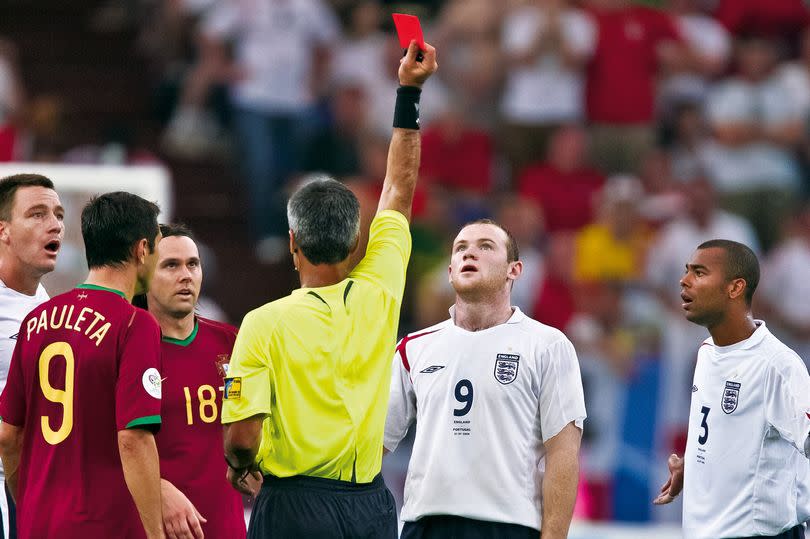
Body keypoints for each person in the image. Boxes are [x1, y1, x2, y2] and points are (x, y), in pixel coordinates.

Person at [221, 40, 438, 538]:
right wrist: (408, 92)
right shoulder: (379, 293)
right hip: (369, 505)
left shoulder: (263, 324)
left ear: (292, 241)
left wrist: (240, 464)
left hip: (293, 506)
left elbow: (242, 439)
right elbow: (398, 189)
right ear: (356, 240)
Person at [385, 218, 587, 539]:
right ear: (450, 272)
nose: (470, 254)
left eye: (485, 246)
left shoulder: (548, 345)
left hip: (508, 526)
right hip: (425, 524)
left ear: (514, 270)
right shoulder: (413, 347)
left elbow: (562, 454)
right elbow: (375, 444)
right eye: (461, 248)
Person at [0, 191, 164, 538]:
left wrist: (28, 505)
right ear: (142, 249)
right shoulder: (135, 324)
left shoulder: (35, 321)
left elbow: (8, 436)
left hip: (38, 523)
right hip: (102, 525)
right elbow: (133, 439)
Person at [654, 239, 810, 539]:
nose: (683, 281)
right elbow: (730, 433)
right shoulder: (707, 352)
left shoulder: (777, 365)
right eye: (687, 271)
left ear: (735, 288)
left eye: (699, 273)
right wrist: (697, 468)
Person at [135, 223, 246, 539]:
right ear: (144, 276)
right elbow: (102, 448)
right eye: (171, 265)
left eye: (192, 264)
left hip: (227, 526)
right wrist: (156, 487)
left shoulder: (231, 342)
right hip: (155, 527)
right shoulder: (126, 348)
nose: (186, 275)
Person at [0, 173, 63, 539]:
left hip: (29, 486)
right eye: (37, 214)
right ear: (4, 230)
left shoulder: (47, 307)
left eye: (58, 214)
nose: (54, 224)